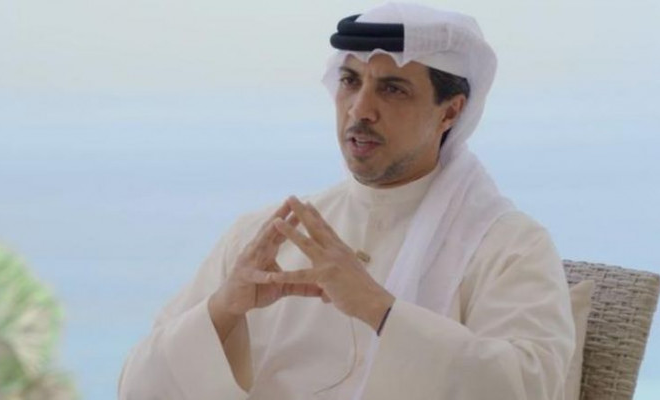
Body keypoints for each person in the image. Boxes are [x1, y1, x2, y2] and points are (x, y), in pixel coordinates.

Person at [118, 3, 575, 399]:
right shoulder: (267, 235)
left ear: (450, 111)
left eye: (392, 88)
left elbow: (529, 387)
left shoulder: (509, 245)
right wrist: (222, 310)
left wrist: (379, 309)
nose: (359, 109)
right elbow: (137, 389)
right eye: (350, 81)